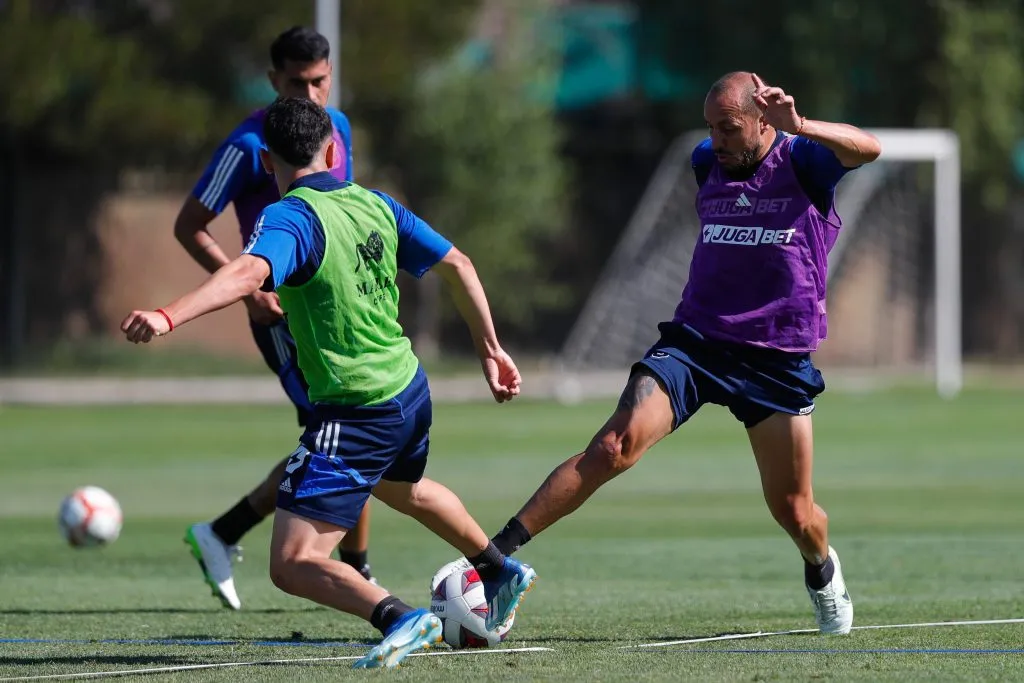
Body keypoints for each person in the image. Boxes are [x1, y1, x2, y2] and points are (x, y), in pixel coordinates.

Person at [123, 97, 537, 669]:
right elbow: (459, 264)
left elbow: (249, 271)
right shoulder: (376, 203)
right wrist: (490, 348)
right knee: (404, 490)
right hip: (409, 389)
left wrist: (169, 315)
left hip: (356, 409)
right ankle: (499, 567)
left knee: (291, 562)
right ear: (334, 150)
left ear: (266, 162)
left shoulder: (289, 216)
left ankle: (400, 617)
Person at [484, 71, 881, 635]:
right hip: (696, 344)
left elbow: (870, 148)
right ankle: (494, 561)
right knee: (613, 446)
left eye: (729, 127)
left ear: (763, 120)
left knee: (796, 513)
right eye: (711, 127)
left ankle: (821, 569)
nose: (716, 140)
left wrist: (804, 127)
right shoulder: (706, 162)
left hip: (775, 358)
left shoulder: (804, 161)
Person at [173, 26, 375, 610]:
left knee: (342, 437)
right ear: (273, 81)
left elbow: (342, 211)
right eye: (296, 82)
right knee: (347, 436)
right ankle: (357, 568)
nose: (310, 95)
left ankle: (224, 532)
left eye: (319, 81)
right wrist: (247, 288)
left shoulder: (337, 130)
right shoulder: (246, 146)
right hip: (282, 319)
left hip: (334, 312)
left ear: (330, 75)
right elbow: (189, 225)